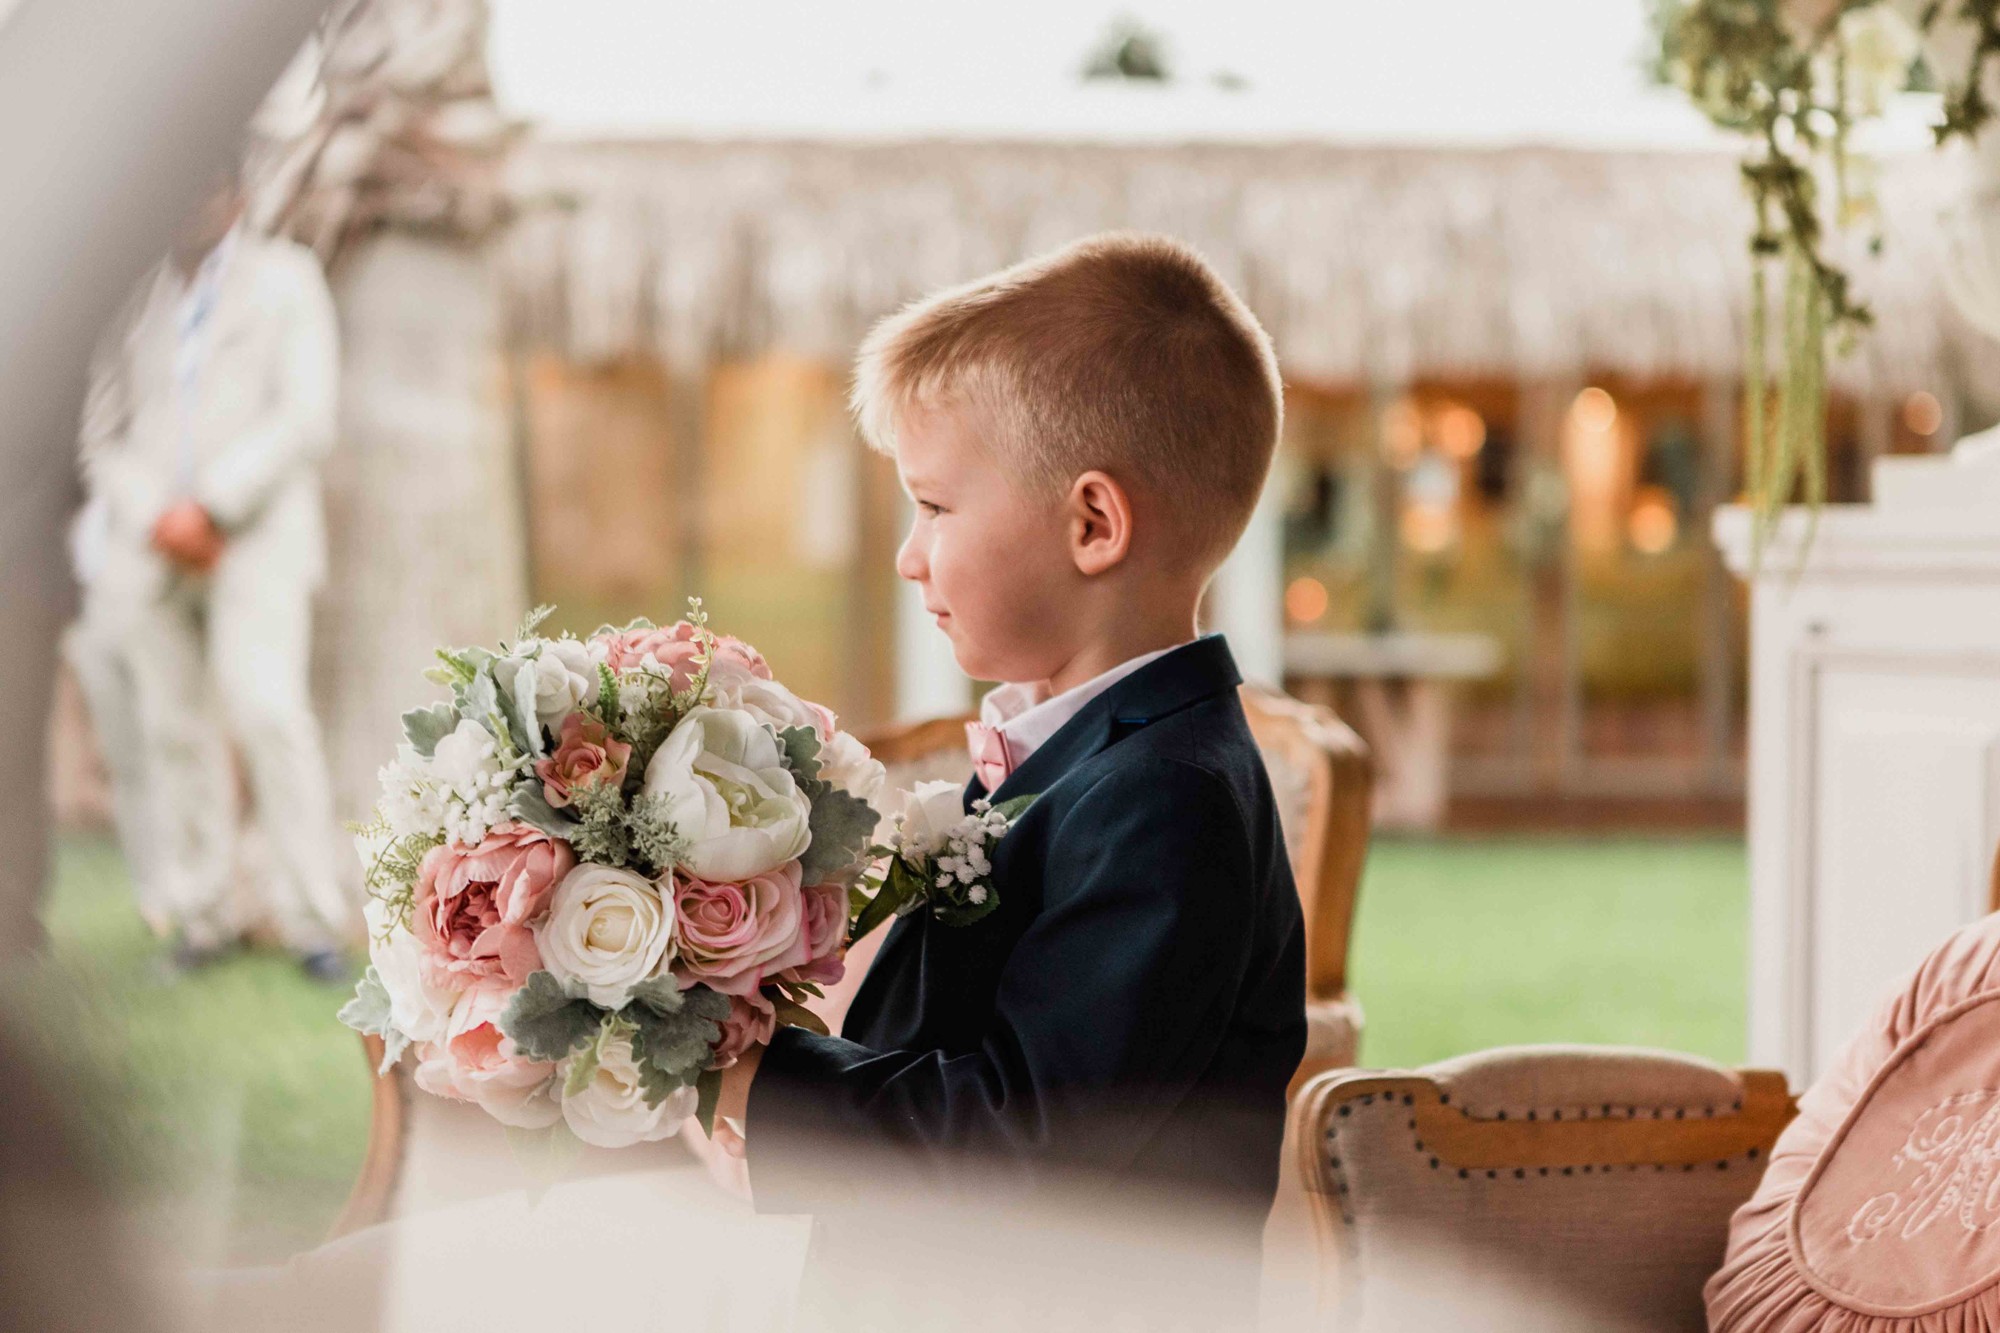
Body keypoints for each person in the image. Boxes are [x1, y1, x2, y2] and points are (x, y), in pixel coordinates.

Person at [711, 232, 1308, 1327]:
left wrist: (757, 1082)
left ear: (1092, 524)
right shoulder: (1087, 751)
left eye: (933, 507)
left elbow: (1020, 1138)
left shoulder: (1167, 796)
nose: (907, 552)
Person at [65, 179, 353, 978]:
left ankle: (312, 921)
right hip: (150, 547)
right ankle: (203, 919)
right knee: (172, 730)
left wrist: (214, 508)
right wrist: (159, 514)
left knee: (268, 712)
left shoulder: (288, 278)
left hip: (254, 540)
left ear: (235, 191)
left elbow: (306, 413)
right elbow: (101, 433)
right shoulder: (129, 292)